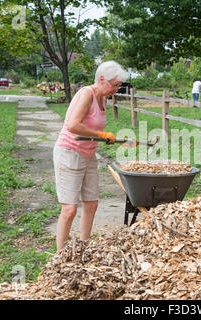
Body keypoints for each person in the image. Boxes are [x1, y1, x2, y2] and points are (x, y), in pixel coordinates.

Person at [53, 60, 128, 253]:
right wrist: (101, 135)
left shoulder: (103, 97)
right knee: (69, 210)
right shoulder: (87, 94)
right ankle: (60, 255)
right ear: (102, 79)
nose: (116, 90)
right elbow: (72, 125)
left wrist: (109, 138)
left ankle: (83, 248)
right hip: (69, 154)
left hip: (88, 155)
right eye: (114, 85)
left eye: (118, 86)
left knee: (91, 204)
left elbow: (92, 127)